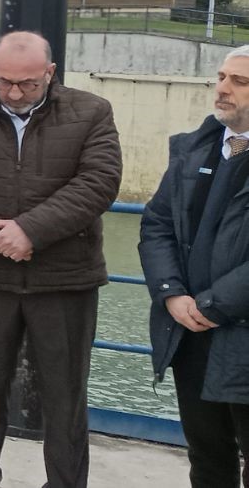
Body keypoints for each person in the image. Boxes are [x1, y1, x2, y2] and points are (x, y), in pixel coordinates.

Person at [0, 31, 121, 488]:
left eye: (27, 84)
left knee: (64, 398)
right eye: (3, 82)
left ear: (50, 74)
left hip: (65, 280)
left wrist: (31, 230)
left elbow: (99, 181)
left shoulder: (92, 112)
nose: (14, 93)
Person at [140, 45, 249, 487]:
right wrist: (172, 294)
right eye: (221, 77)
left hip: (238, 332)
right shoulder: (195, 148)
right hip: (191, 334)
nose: (222, 89)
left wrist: (213, 303)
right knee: (207, 459)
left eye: (239, 82)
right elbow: (158, 224)